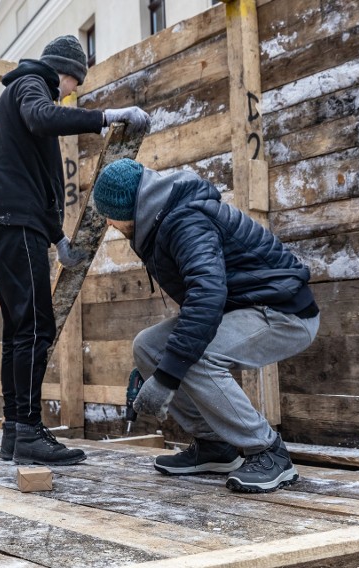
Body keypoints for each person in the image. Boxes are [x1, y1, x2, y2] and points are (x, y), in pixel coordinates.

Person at [92, 158, 321, 493]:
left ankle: (269, 451)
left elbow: (208, 294)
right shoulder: (159, 220)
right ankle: (215, 446)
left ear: (132, 208)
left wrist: (167, 375)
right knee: (148, 346)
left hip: (283, 313)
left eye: (110, 215)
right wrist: (159, 365)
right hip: (241, 309)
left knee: (196, 357)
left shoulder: (185, 220)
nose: (109, 224)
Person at [0, 34, 150, 466]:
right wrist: (105, 117)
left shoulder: (25, 98)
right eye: (74, 84)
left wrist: (58, 241)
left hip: (15, 224)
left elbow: (42, 181)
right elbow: (41, 116)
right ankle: (30, 432)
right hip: (13, 223)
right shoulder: (31, 84)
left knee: (21, 331)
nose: (71, 93)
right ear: (65, 72)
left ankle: (16, 433)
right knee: (36, 328)